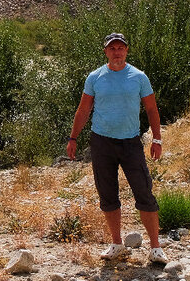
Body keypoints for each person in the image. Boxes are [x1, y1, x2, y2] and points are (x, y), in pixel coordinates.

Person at [66, 32, 166, 264]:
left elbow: (151, 109)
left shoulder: (139, 77)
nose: (117, 52)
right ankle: (116, 244)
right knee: (107, 193)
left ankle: (155, 248)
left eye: (121, 48)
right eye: (113, 48)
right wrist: (73, 138)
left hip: (130, 142)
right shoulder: (95, 77)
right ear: (106, 52)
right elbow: (83, 111)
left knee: (144, 192)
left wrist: (157, 139)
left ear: (127, 51)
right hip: (102, 142)